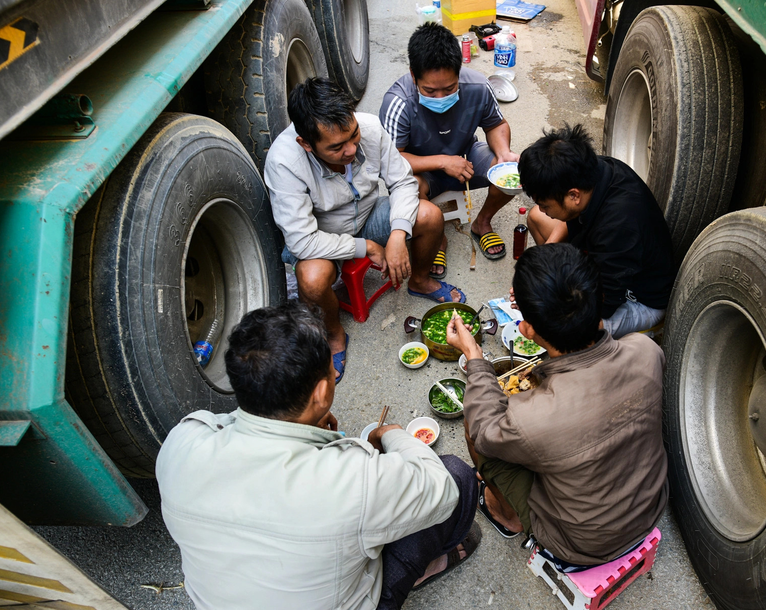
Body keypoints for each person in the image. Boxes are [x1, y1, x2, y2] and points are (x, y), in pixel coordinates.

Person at [157, 300, 481, 610]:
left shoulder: (180, 443)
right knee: (456, 473)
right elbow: (440, 487)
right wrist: (390, 432)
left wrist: (309, 427)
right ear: (322, 392)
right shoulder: (352, 480)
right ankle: (421, 569)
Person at [445, 243, 668, 571]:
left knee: (478, 427)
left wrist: (474, 356)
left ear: (528, 329)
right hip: (649, 508)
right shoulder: (646, 350)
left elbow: (485, 430)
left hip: (581, 544)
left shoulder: (533, 419)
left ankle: (506, 516)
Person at [265, 77, 465, 384]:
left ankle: (421, 281)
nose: (351, 149)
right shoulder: (284, 163)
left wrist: (398, 234)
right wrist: (367, 248)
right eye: (336, 147)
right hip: (322, 237)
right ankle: (334, 335)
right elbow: (302, 241)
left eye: (353, 136)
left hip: (369, 216)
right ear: (306, 144)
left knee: (430, 215)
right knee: (312, 279)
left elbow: (402, 182)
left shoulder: (369, 128)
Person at [380, 22, 520, 278]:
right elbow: (391, 162)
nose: (439, 97)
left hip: (468, 157)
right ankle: (437, 238)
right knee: (409, 186)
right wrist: (443, 161)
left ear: (459, 72)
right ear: (413, 75)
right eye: (429, 90)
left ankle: (482, 222)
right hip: (422, 171)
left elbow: (496, 124)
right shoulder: (398, 102)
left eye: (450, 88)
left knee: (512, 172)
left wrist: (503, 154)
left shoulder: (478, 87)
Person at [517, 123, 675, 337]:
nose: (544, 210)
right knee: (535, 218)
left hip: (640, 300)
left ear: (574, 195)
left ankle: (645, 333)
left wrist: (547, 300)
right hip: (606, 263)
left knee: (564, 327)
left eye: (546, 204)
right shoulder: (589, 170)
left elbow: (605, 303)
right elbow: (560, 220)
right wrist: (539, 270)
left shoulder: (619, 226)